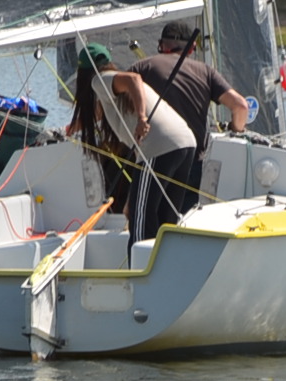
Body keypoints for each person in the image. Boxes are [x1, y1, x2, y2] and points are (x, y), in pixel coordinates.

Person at [128, 21, 253, 226]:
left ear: (161, 45)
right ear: (192, 48)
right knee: (180, 222)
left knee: (148, 218)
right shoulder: (205, 71)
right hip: (191, 161)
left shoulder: (142, 68)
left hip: (154, 158)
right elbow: (240, 106)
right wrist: (235, 130)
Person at [67, 45, 193, 241]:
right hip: (185, 143)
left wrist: (142, 117)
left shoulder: (99, 80)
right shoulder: (112, 91)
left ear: (83, 72)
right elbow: (98, 113)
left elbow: (134, 78)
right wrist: (72, 128)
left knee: (139, 217)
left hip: (160, 146)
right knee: (164, 220)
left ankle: (141, 265)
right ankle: (166, 265)